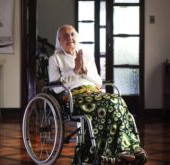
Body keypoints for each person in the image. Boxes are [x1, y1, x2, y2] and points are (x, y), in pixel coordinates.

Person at [48, 24, 147, 164]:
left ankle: (127, 149)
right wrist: (75, 70)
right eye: (65, 35)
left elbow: (98, 82)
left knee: (117, 101)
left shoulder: (86, 56)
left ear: (77, 37)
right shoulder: (55, 59)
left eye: (72, 34)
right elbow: (56, 87)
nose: (69, 37)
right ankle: (110, 154)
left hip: (94, 92)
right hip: (74, 96)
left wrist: (84, 70)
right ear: (59, 40)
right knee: (107, 104)